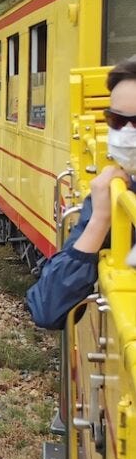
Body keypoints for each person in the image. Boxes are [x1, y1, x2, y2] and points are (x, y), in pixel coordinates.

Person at [27, 56, 136, 328]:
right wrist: (99, 220)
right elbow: (47, 308)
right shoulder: (118, 191)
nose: (126, 133)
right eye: (116, 121)